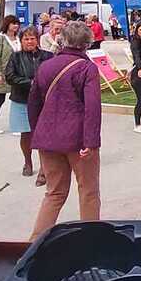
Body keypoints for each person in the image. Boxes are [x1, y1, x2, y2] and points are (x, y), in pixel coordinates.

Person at [28, 21, 102, 240]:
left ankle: (34, 243)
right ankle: (91, 240)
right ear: (87, 43)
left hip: (47, 137)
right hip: (78, 139)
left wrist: (37, 134)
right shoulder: (87, 68)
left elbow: (33, 104)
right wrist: (91, 142)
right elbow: (92, 108)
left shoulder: (46, 66)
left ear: (62, 40)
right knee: (88, 191)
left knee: (54, 192)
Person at [5, 26, 53, 179]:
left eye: (32, 38)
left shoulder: (48, 56)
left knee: (42, 135)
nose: (30, 41)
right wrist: (30, 83)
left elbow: (53, 74)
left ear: (37, 40)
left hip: (42, 101)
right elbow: (10, 76)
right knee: (26, 134)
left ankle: (43, 168)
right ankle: (28, 162)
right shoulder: (15, 57)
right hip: (21, 100)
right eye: (26, 38)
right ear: (21, 41)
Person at [0, 15, 21, 134]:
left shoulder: (18, 38)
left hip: (17, 73)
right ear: (7, 24)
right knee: (0, 99)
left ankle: (16, 125)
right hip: (2, 72)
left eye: (17, 23)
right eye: (13, 23)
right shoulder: (0, 38)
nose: (16, 26)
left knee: (17, 100)